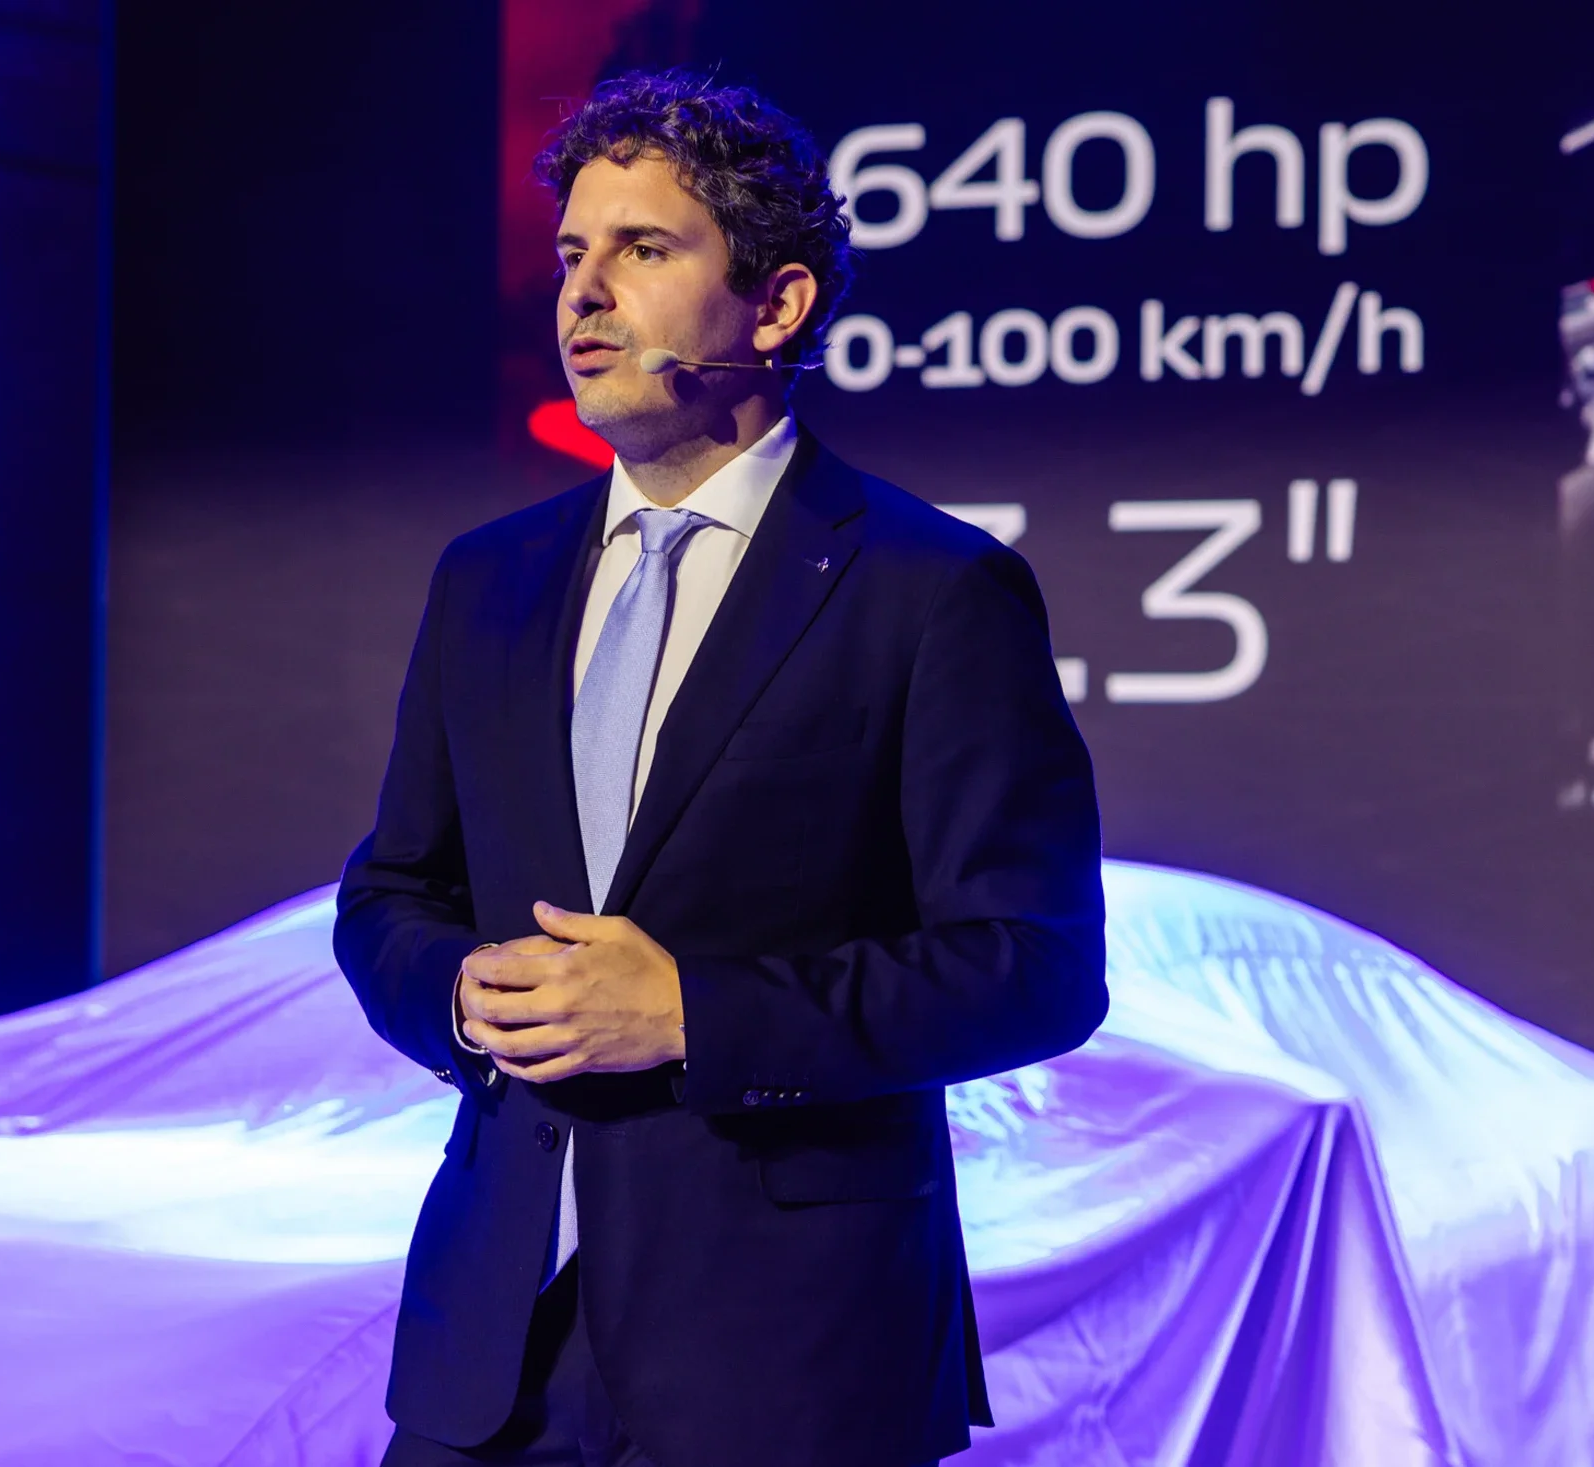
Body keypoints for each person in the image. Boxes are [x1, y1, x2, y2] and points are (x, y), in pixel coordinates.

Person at [335, 69, 1107, 1467]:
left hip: (791, 1367)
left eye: (642, 249)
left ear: (781, 301)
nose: (583, 293)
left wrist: (697, 1011)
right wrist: (454, 991)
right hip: (488, 1355)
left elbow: (1035, 965)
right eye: (572, 254)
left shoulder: (932, 588)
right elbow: (390, 890)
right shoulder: (487, 582)